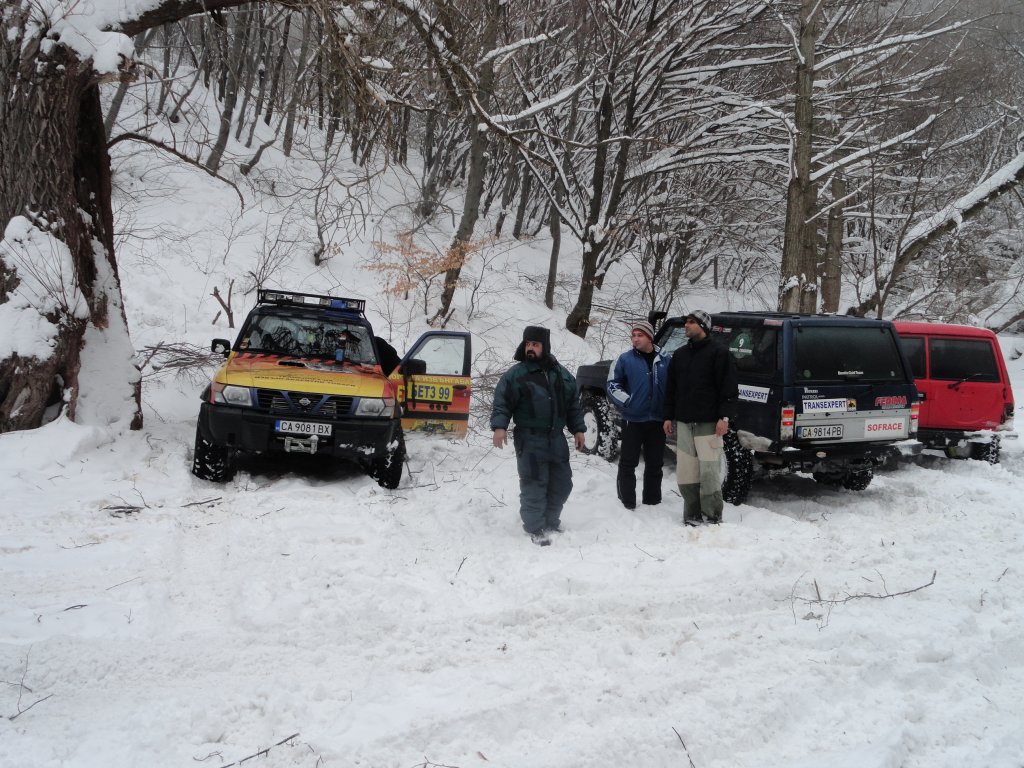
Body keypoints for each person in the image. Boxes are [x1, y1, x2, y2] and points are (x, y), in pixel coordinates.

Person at [490, 325, 587, 545]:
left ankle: (551, 521)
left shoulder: (560, 374)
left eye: (535, 344)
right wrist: (499, 426)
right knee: (534, 482)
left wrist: (578, 429)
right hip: (529, 438)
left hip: (556, 438)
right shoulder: (516, 375)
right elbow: (502, 402)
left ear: (545, 346)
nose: (530, 348)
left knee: (562, 483)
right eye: (528, 344)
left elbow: (572, 404)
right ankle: (535, 527)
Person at [663, 309, 738, 526]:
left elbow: (729, 389)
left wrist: (725, 418)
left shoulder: (719, 353)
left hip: (709, 424)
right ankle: (692, 513)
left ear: (703, 327)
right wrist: (668, 416)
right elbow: (671, 389)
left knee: (709, 473)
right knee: (687, 472)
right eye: (686, 322)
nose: (686, 325)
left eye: (691, 322)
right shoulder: (680, 355)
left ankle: (712, 515)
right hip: (685, 423)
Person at [607, 320, 671, 509]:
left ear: (650, 337)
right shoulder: (624, 359)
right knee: (628, 462)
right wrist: (628, 401)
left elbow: (673, 387)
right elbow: (612, 384)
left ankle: (652, 501)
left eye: (640, 335)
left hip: (657, 419)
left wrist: (669, 411)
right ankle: (626, 501)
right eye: (633, 335)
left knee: (655, 463)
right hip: (633, 419)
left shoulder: (666, 359)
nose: (635, 339)